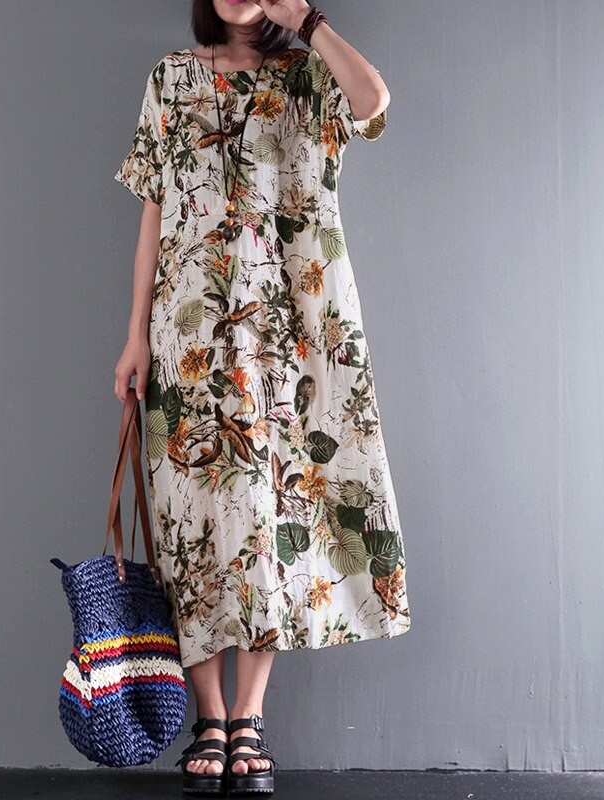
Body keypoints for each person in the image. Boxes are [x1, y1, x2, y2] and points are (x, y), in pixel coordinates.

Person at [112, 0, 411, 794]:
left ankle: (247, 717)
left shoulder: (311, 78)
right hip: (187, 337)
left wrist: (306, 21)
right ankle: (208, 718)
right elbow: (153, 211)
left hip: (286, 342)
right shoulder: (171, 79)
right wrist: (135, 335)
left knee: (265, 522)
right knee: (189, 523)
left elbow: (373, 101)